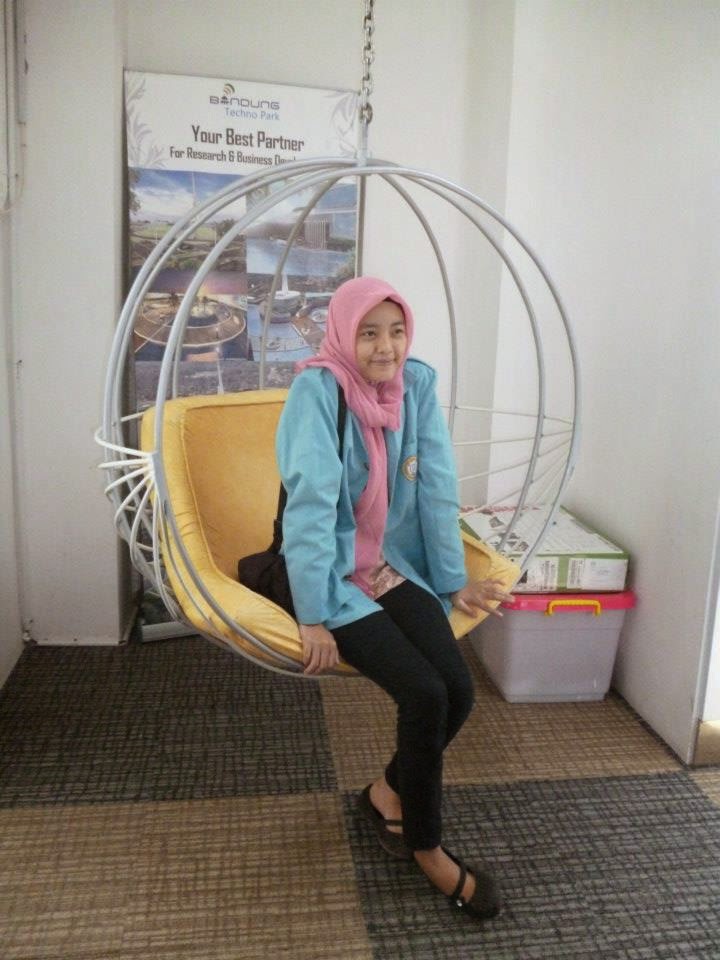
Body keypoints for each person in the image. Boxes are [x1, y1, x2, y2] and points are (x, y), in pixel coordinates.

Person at [275, 276, 513, 921]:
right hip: (327, 572)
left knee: (457, 690)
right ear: (343, 334)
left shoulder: (416, 383)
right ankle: (426, 847)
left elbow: (436, 486)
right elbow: (310, 506)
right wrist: (312, 616)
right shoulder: (317, 391)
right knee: (424, 693)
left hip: (385, 565)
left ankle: (385, 791)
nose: (386, 347)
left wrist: (452, 580)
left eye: (397, 331)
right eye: (369, 333)